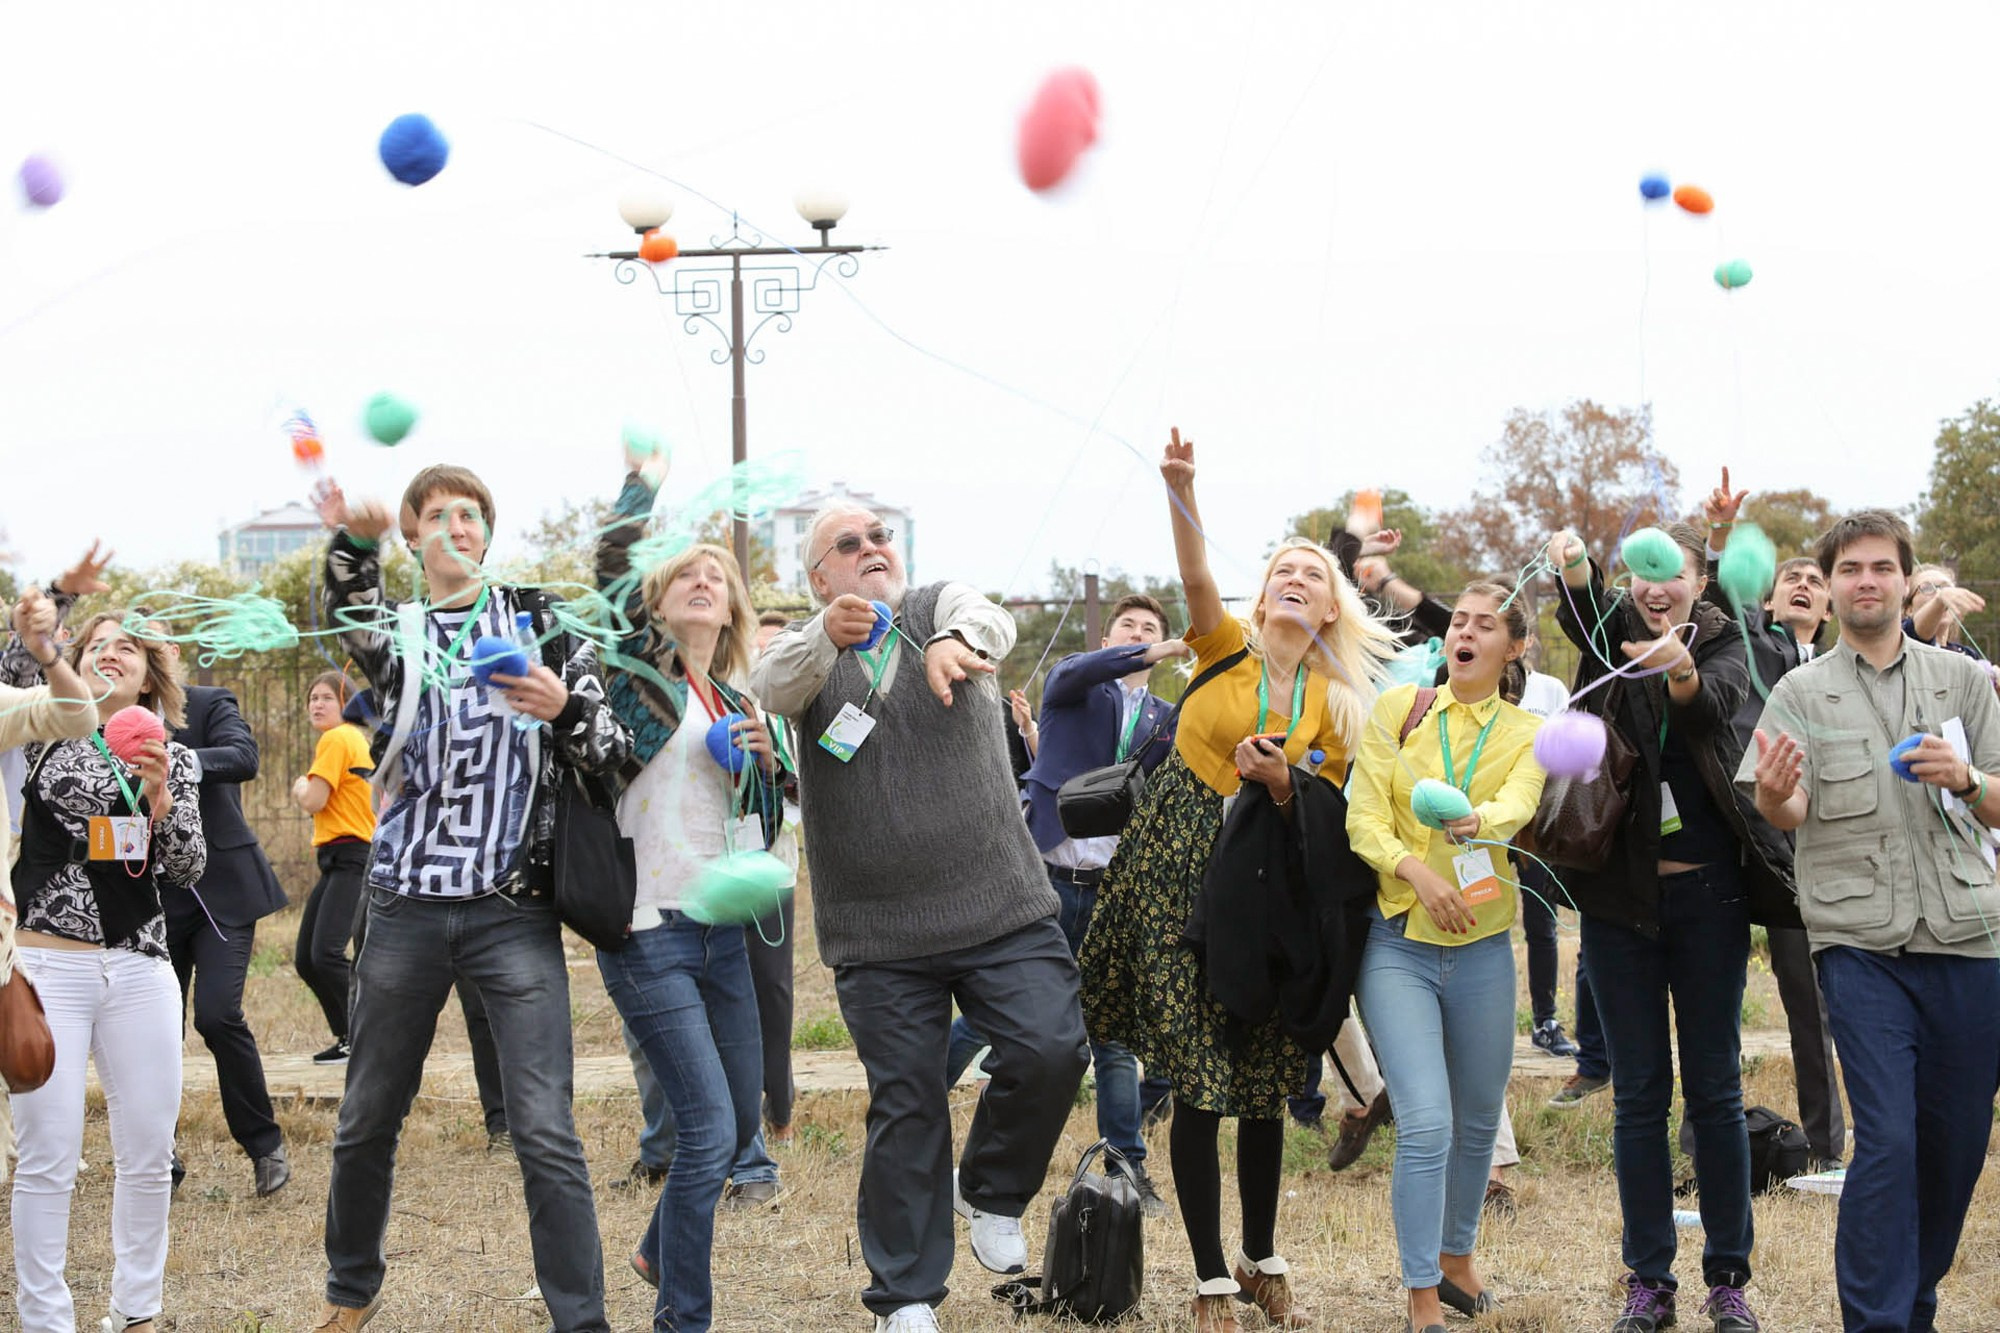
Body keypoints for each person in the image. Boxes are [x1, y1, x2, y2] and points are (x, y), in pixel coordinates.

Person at [1081, 428, 1400, 1333]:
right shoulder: (1224, 650)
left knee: (1260, 1077)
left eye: (1313, 574)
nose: (1295, 580)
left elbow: (1333, 816)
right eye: (1281, 572)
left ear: (1333, 608)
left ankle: (1263, 1260)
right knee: (1198, 1077)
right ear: (1261, 598)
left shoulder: (1340, 711)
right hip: (1180, 866)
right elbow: (1190, 581)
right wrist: (1181, 489)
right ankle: (1211, 1279)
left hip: (1269, 890)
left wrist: (1285, 783)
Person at [752, 500, 1089, 1333]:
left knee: (1051, 1047)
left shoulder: (938, 606)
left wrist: (955, 643)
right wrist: (827, 633)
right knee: (907, 1100)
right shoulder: (806, 650)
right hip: (877, 933)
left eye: (878, 537)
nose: (871, 549)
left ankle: (992, 1191)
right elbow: (771, 683)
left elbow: (990, 621)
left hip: (999, 906)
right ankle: (903, 1297)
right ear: (819, 575)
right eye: (847, 544)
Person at [314, 466, 629, 1333]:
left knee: (544, 1129)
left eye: (470, 513)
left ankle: (581, 1319)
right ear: (414, 538)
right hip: (403, 906)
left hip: (511, 911)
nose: (454, 524)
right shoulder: (400, 635)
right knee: (367, 1115)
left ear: (486, 536)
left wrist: (563, 707)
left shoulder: (543, 623)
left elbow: (610, 749)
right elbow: (348, 600)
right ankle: (351, 1294)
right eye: (435, 514)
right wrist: (353, 540)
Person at [1741, 509, 2000, 1333]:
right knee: (1885, 1141)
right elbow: (1784, 807)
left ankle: (1913, 1300)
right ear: (1832, 583)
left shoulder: (1962, 681)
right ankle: (1878, 1321)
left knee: (1954, 1151)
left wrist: (1964, 777)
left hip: (1970, 940)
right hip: (1861, 946)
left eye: (1881, 568)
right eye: (1850, 568)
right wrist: (1779, 794)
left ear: (1903, 579)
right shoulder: (1798, 691)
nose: (1865, 581)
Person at [1549, 520, 1799, 1333]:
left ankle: (1728, 1279)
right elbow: (1582, 611)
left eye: (1674, 575)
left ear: (1700, 580)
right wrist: (1577, 568)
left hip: (1710, 904)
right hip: (1619, 907)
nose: (1656, 589)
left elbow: (1713, 705)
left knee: (1717, 1093)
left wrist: (1682, 669)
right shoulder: (1610, 638)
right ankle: (1648, 1280)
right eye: (1642, 575)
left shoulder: (1730, 644)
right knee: (1638, 1097)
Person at [592, 454, 787, 1332]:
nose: (705, 580)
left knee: (736, 1115)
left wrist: (768, 767)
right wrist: (640, 486)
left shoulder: (738, 697)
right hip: (646, 929)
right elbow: (605, 579)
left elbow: (762, 822)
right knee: (707, 1128)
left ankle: (658, 1247)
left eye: (719, 575)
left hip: (720, 931)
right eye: (686, 573)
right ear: (659, 598)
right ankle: (684, 1318)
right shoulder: (634, 677)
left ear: (735, 607)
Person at [1347, 583, 1548, 1331]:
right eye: (1458, 620)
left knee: (1475, 1121)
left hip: (1486, 949)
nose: (1464, 631)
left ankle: (1460, 1258)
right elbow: (1362, 817)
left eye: (1484, 624)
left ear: (1512, 648)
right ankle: (1422, 1291)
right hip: (1397, 944)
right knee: (1427, 1122)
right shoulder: (1398, 711)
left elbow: (1518, 804)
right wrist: (1417, 870)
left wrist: (1477, 821)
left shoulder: (1527, 730)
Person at [950, 592, 1189, 1216]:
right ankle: (913, 1096)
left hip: (1114, 889)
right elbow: (1081, 669)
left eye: (1150, 629)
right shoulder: (1072, 687)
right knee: (995, 1013)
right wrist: (1161, 644)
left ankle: (1126, 1165)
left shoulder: (1168, 717)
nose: (1138, 635)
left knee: (1112, 1033)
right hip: (1048, 877)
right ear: (1108, 638)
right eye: (1128, 628)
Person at [11, 608, 207, 1333]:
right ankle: (44, 1320)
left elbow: (186, 869)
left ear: (151, 672)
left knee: (150, 1154)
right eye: (97, 644)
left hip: (140, 967)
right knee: (48, 1154)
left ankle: (137, 1312)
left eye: (128, 646)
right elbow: (14, 671)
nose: (112, 653)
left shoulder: (176, 757)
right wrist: (41, 631)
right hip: (48, 966)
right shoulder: (40, 739)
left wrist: (161, 802)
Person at [1702, 472, 1844, 1169]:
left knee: (1809, 1007)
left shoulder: (1843, 665)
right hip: (1734, 840)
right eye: (1790, 575)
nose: (1802, 584)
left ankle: (1823, 1150)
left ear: (1831, 599)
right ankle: (1706, 1151)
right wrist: (1723, 536)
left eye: (1815, 579)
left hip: (1801, 849)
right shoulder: (1751, 639)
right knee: (1712, 1008)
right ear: (1770, 590)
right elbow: (1720, 597)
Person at [132, 614, 292, 1200]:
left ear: (172, 651)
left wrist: (177, 760)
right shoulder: (103, 722)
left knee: (216, 1016)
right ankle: (159, 1157)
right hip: (147, 899)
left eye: (155, 643)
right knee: (152, 1032)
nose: (149, 655)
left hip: (222, 891)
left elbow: (243, 756)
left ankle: (265, 1146)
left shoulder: (207, 701)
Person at [290, 670, 376, 1064]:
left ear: (347, 706)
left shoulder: (338, 738)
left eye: (327, 697)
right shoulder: (348, 739)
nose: (317, 704)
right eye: (313, 698)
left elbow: (314, 800)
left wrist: (299, 787)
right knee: (308, 958)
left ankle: (367, 1038)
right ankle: (349, 1038)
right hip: (338, 858)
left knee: (323, 953)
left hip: (352, 855)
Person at [1902, 563, 1987, 658]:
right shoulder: (1901, 640)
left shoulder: (1969, 655)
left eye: (1946, 588)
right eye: (1927, 588)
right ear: (1909, 609)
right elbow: (1915, 631)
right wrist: (1939, 599)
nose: (1940, 593)